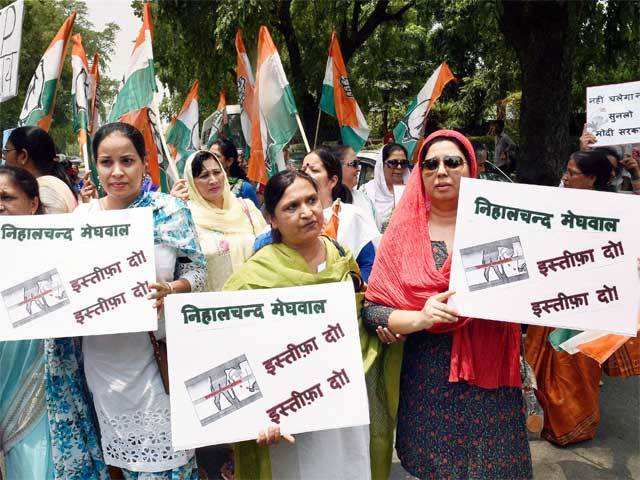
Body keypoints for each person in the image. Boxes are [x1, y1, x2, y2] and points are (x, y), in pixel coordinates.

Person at [363, 129, 532, 479]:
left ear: (471, 168)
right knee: (436, 468)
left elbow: (542, 287)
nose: (441, 170)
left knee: (493, 467)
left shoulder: (501, 226)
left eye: (452, 161)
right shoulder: (401, 235)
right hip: (428, 377)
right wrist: (418, 318)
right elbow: (374, 309)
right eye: (430, 164)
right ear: (420, 174)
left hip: (490, 377)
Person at [223, 169, 374, 479]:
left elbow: (357, 319)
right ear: (272, 219)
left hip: (343, 401)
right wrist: (256, 413)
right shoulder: (254, 277)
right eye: (291, 207)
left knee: (349, 467)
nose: (306, 213)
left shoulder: (340, 255)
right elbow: (230, 349)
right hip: (289, 415)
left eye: (311, 201)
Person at [76, 123, 206, 478]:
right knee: (120, 465)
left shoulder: (170, 210)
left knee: (170, 463)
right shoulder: (82, 218)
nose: (116, 172)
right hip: (104, 364)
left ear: (144, 164)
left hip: (156, 358)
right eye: (106, 162)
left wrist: (172, 289)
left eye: (127, 161)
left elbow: (197, 272)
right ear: (96, 166)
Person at [0, 165, 107, 480]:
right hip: (5, 375)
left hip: (47, 379)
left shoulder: (61, 250)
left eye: (7, 197)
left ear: (33, 204)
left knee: (38, 462)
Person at [525, 149, 634, 446]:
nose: (566, 176)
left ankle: (575, 423)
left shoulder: (613, 212)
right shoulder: (558, 206)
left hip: (588, 304)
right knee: (541, 359)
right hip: (551, 298)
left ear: (592, 178)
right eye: (567, 170)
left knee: (576, 364)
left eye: (572, 173)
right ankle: (545, 419)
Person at [254, 148, 380, 282]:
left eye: (314, 170)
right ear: (273, 220)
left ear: (332, 180)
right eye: (303, 169)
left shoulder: (351, 217)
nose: (307, 214)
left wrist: (353, 291)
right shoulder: (273, 232)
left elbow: (368, 264)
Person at [170, 149, 267, 290]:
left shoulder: (247, 209)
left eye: (217, 172)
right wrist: (171, 207)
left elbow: (269, 251)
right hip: (212, 307)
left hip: (255, 303)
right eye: (204, 176)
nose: (213, 180)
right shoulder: (185, 217)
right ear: (191, 182)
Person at [3, 126, 77, 213]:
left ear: (23, 156)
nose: (3, 157)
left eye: (6, 151)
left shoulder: (43, 191)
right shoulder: (52, 183)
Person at [362, 143, 410, 229]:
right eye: (393, 162)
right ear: (381, 165)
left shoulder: (413, 191)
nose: (399, 167)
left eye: (403, 163)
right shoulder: (366, 193)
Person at [332, 145, 377, 225]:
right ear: (338, 167)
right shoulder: (327, 201)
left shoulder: (365, 199)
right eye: (354, 164)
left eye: (358, 163)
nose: (358, 168)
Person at [210, 138, 260, 208]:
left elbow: (256, 217)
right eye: (209, 155)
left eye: (216, 156)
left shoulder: (244, 188)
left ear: (229, 161)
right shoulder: (205, 186)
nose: (210, 159)